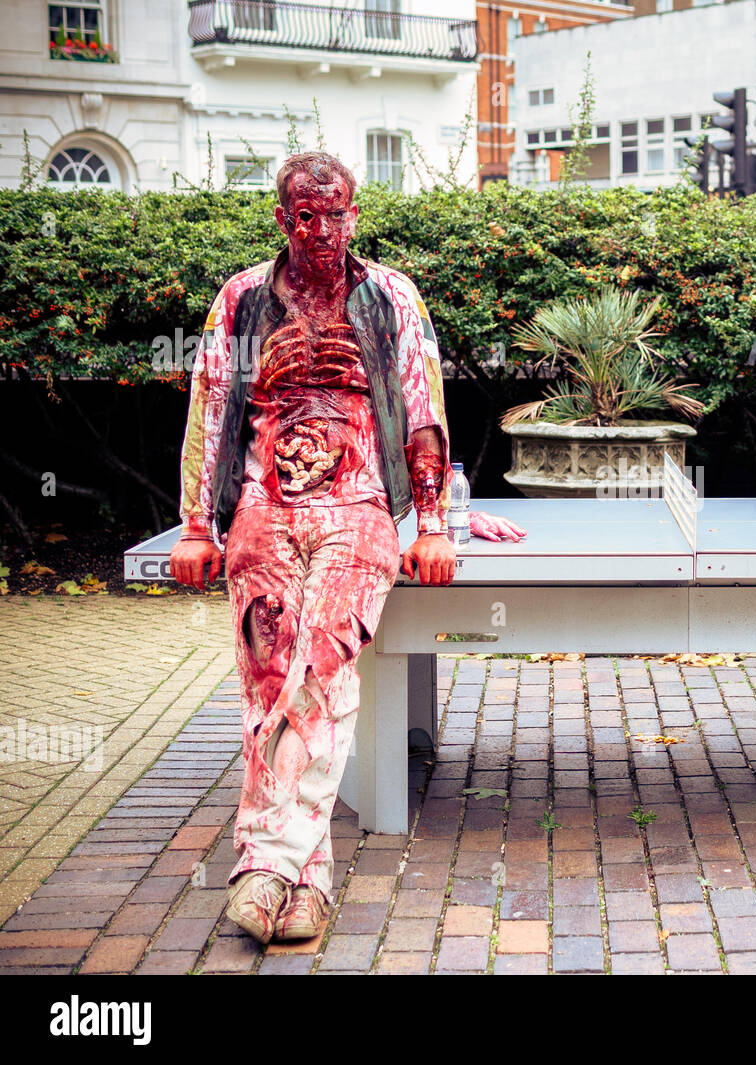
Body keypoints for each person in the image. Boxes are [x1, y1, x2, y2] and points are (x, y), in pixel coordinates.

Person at [169, 151, 523, 944]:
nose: (322, 230)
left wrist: (431, 521)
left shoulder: (391, 296)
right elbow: (211, 407)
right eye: (305, 215)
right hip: (264, 502)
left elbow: (421, 405)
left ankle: (265, 863)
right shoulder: (240, 301)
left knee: (323, 667)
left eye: (336, 214)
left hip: (360, 504)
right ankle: (310, 877)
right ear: (282, 219)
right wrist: (198, 525)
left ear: (354, 213)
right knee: (269, 672)